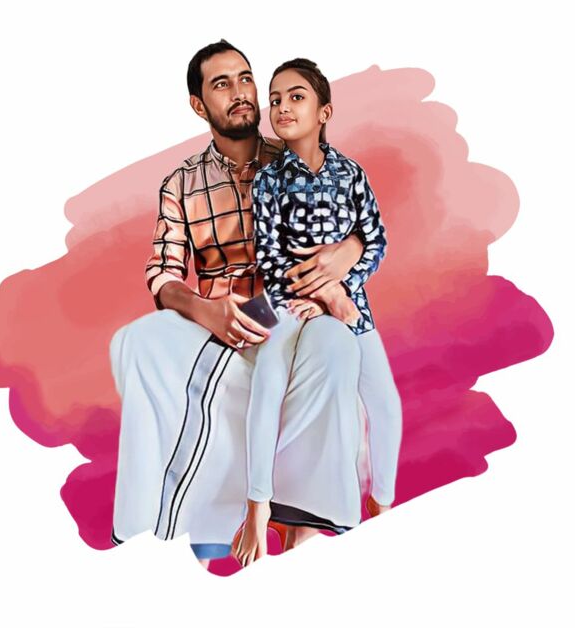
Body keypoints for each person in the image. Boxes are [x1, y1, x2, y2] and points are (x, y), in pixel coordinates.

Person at [110, 41, 369, 569]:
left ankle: (303, 528)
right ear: (198, 104)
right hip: (221, 320)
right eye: (222, 83)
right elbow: (163, 274)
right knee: (133, 341)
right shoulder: (181, 184)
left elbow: (355, 218)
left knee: (336, 345)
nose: (240, 92)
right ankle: (152, 532)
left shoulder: (294, 159)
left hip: (291, 308)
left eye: (246, 78)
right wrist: (205, 310)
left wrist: (352, 248)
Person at [232, 58, 402, 567]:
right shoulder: (269, 181)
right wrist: (322, 294)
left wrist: (339, 289)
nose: (282, 107)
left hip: (351, 304)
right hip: (284, 301)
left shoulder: (351, 174)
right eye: (275, 99)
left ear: (324, 111)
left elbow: (375, 240)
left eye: (296, 97)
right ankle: (258, 505)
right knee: (268, 384)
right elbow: (269, 256)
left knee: (386, 404)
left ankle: (383, 506)